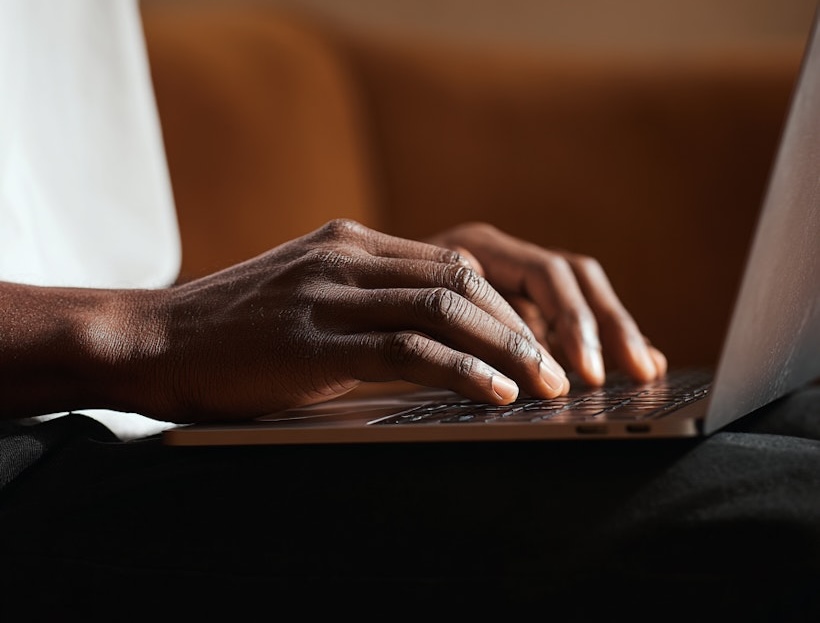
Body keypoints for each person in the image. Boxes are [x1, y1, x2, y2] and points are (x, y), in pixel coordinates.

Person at [1, 1, 819, 619]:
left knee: (798, 417)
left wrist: (351, 305)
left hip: (122, 418)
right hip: (29, 463)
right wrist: (152, 332)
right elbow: (129, 326)